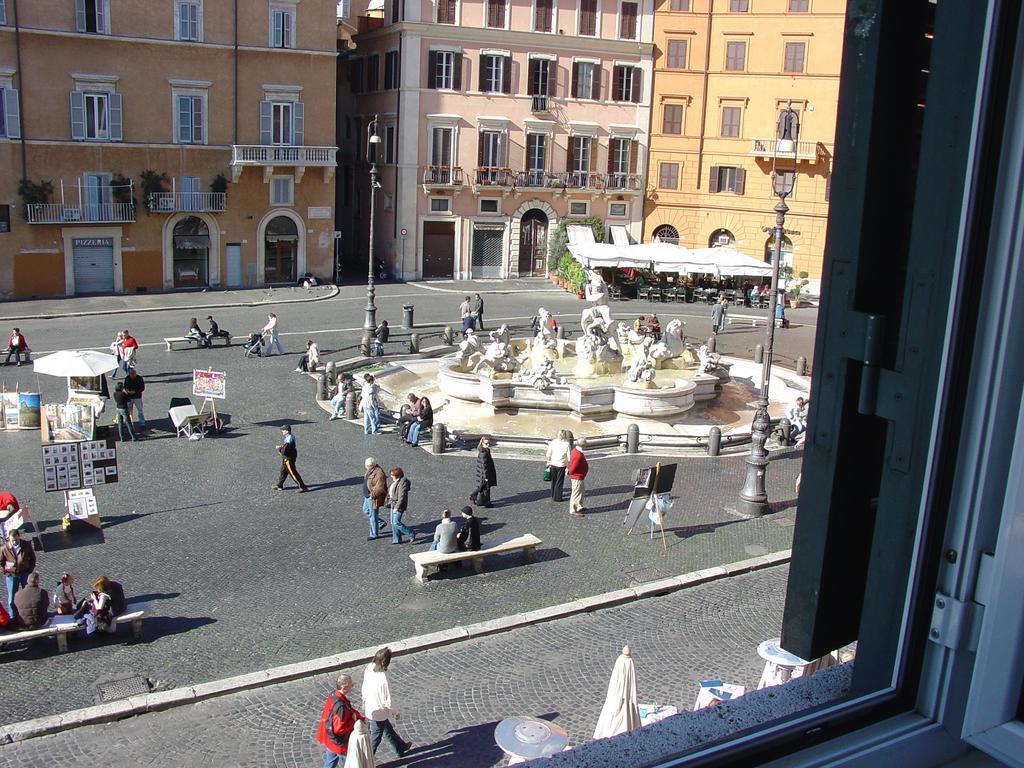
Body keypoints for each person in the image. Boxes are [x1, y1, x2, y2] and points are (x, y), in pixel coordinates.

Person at [360, 647, 411, 758]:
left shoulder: (369, 667)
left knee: (387, 728)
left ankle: (400, 747)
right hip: (379, 711)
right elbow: (387, 701)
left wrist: (363, 700)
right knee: (376, 737)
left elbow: (364, 686)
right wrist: (396, 712)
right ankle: (366, 760)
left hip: (370, 706)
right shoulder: (383, 678)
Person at [316, 672, 364, 768]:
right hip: (339, 742)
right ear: (344, 688)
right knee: (350, 762)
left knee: (330, 760)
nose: (352, 687)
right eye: (351, 685)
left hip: (331, 738)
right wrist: (353, 721)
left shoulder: (333, 695)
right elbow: (339, 729)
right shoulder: (340, 707)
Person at [2, 529, 36, 617]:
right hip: (12, 576)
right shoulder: (4, 548)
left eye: (16, 540)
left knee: (29, 595)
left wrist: (30, 570)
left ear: (19, 537)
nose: (14, 542)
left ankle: (30, 615)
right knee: (11, 599)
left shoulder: (26, 545)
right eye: (12, 540)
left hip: (25, 573)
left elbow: (32, 558)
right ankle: (13, 617)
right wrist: (5, 572)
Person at [274, 425, 309, 492]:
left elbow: (285, 450)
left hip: (288, 458)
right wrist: (282, 447)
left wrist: (279, 449)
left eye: (283, 430)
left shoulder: (288, 439)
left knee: (292, 472)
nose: (282, 431)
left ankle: (303, 487)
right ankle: (279, 485)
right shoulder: (290, 436)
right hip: (290, 456)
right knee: (283, 471)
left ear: (287, 431)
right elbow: (287, 448)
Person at [387, 467, 416, 544]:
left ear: (397, 475)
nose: (391, 476)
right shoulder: (396, 481)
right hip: (393, 503)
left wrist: (396, 507)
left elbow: (401, 497)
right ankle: (396, 539)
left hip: (399, 505)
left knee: (396, 522)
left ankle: (411, 533)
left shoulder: (402, 483)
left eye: (392, 475)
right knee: (393, 523)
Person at [362, 457, 388, 540]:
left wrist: (372, 496)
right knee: (366, 510)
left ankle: (374, 534)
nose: (365, 467)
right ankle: (380, 522)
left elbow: (379, 488)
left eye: (366, 465)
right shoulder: (371, 470)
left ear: (370, 466)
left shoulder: (379, 474)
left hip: (373, 498)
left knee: (373, 516)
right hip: (367, 496)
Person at [469, 436, 497, 508]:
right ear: (482, 443)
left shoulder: (485, 450)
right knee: (485, 488)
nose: (488, 445)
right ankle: (485, 501)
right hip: (484, 475)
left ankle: (476, 498)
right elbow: (484, 467)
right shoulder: (483, 453)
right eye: (486, 443)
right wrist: (486, 477)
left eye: (489, 443)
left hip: (484, 474)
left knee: (482, 487)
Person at [545, 430, 572, 503]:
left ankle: (553, 494)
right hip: (561, 464)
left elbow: (548, 454)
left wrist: (548, 461)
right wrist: (569, 466)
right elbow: (569, 457)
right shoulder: (566, 444)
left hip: (553, 463)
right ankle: (557, 497)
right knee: (559, 481)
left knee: (554, 480)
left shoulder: (553, 442)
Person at [568, 437, 590, 517]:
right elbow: (573, 467)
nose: (587, 444)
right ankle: (573, 509)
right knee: (576, 493)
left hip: (580, 476)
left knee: (581, 491)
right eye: (586, 443)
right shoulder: (578, 455)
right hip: (577, 477)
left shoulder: (576, 451)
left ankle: (579, 506)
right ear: (583, 445)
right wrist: (571, 473)